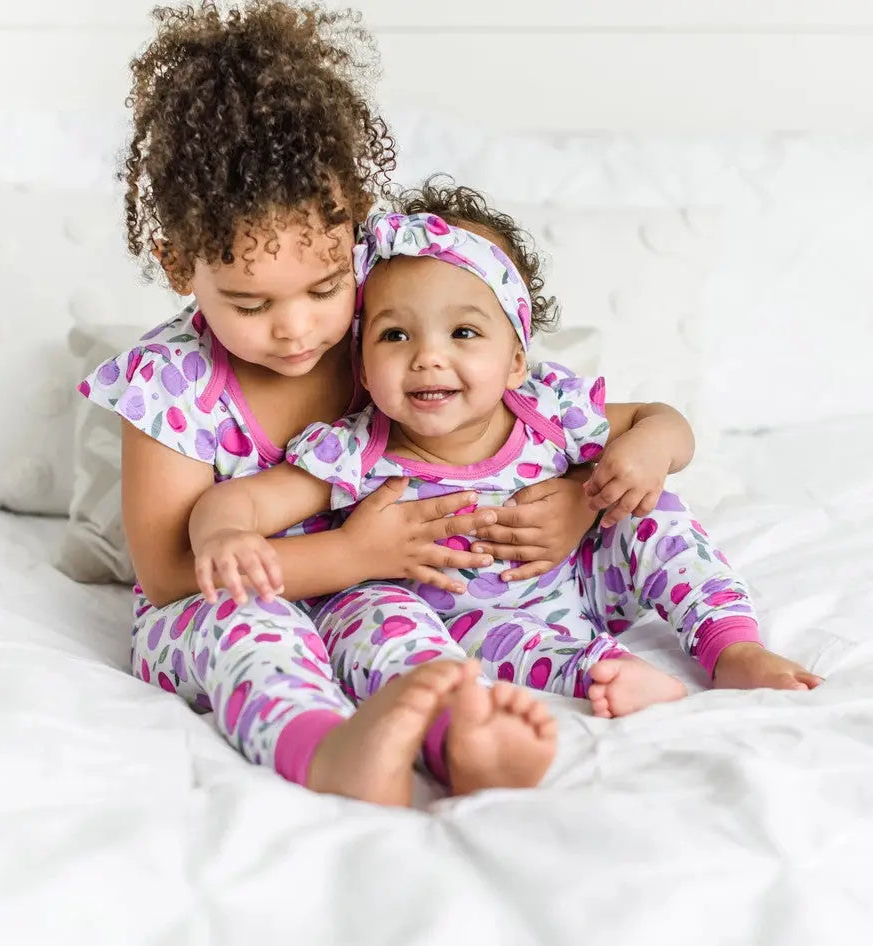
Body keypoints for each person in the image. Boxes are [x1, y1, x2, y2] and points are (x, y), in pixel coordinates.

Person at [81, 4, 583, 806]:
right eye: (249, 304)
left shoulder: (383, 330)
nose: (296, 328)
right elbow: (173, 576)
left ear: (357, 233)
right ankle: (324, 750)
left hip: (374, 583)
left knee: (403, 626)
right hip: (219, 601)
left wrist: (583, 502)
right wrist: (350, 556)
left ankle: (462, 738)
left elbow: (532, 405)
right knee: (256, 633)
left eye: (324, 286)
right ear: (180, 264)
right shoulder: (167, 383)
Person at [191, 179, 824, 732]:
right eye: (394, 334)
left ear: (516, 359)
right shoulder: (357, 450)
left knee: (651, 511)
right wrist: (223, 533)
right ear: (361, 361)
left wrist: (647, 451)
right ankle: (597, 673)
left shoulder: (550, 409)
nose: (428, 356)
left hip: (584, 582)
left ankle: (729, 645)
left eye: (463, 332)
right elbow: (243, 498)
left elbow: (665, 423)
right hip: (464, 617)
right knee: (391, 619)